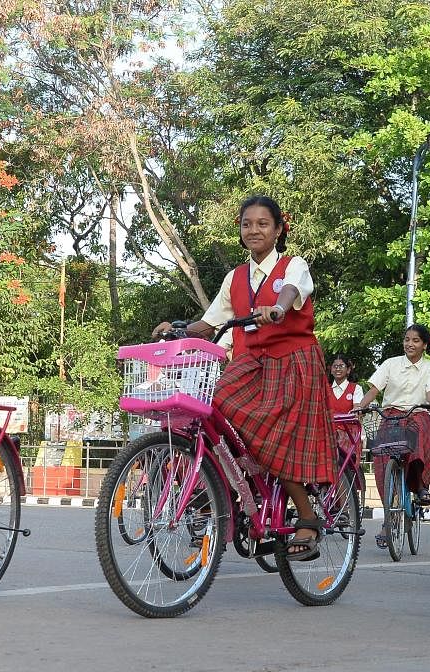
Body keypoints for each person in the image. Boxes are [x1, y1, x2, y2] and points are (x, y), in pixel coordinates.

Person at [151, 195, 334, 562]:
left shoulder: (292, 265)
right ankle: (234, 484)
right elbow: (211, 322)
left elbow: (291, 292)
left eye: (263, 223)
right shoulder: (235, 277)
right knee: (211, 404)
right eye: (247, 224)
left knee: (277, 436)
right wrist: (180, 328)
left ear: (279, 229)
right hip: (250, 362)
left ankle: (308, 517)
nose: (254, 230)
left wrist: (278, 310)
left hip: (292, 362)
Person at [356, 324, 430, 550]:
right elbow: (374, 390)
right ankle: (388, 518)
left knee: (420, 430)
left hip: (417, 413)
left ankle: (420, 485)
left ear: (424, 345)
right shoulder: (390, 364)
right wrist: (360, 407)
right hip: (392, 415)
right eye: (406, 339)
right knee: (382, 462)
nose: (409, 344)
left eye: (415, 340)